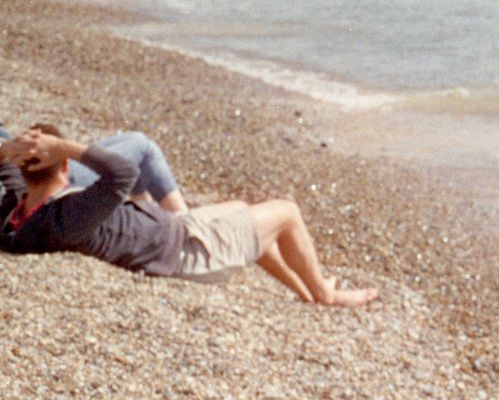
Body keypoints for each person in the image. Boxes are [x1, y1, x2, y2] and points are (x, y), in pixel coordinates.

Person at [0, 124, 375, 307]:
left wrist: (10, 153)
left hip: (176, 230)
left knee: (244, 213)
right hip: (189, 252)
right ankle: (326, 293)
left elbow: (8, 175)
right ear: (64, 165)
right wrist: (64, 145)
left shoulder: (19, 211)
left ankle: (305, 290)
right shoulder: (69, 214)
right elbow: (122, 174)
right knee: (287, 212)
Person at [0, 124, 187, 211]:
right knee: (143, 147)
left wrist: (11, 147)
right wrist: (59, 147)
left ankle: (143, 209)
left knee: (132, 142)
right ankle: (182, 223)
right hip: (34, 185)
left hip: (21, 178)